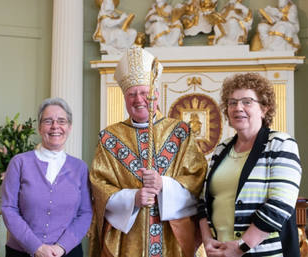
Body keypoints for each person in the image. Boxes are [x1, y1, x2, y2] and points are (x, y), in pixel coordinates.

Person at [88, 44, 207, 256]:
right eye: (132, 94)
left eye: (144, 92)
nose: (139, 99)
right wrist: (133, 198)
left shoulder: (180, 131)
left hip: (173, 237)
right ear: (124, 98)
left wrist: (164, 185)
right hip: (129, 238)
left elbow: (197, 178)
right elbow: (99, 186)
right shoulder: (109, 138)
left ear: (156, 94)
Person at [197, 73, 302, 256]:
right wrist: (207, 241)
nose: (238, 108)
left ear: (264, 109)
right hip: (220, 252)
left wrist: (241, 247)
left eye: (247, 102)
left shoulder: (281, 144)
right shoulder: (221, 149)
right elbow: (202, 201)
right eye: (232, 102)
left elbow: (280, 204)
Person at [1, 97, 93, 257]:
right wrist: (36, 247)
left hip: (68, 252)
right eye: (48, 121)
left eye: (62, 121)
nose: (55, 126)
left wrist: (61, 247)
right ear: (40, 128)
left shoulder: (80, 167)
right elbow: (9, 209)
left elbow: (85, 213)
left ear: (69, 127)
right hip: (21, 252)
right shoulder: (19, 162)